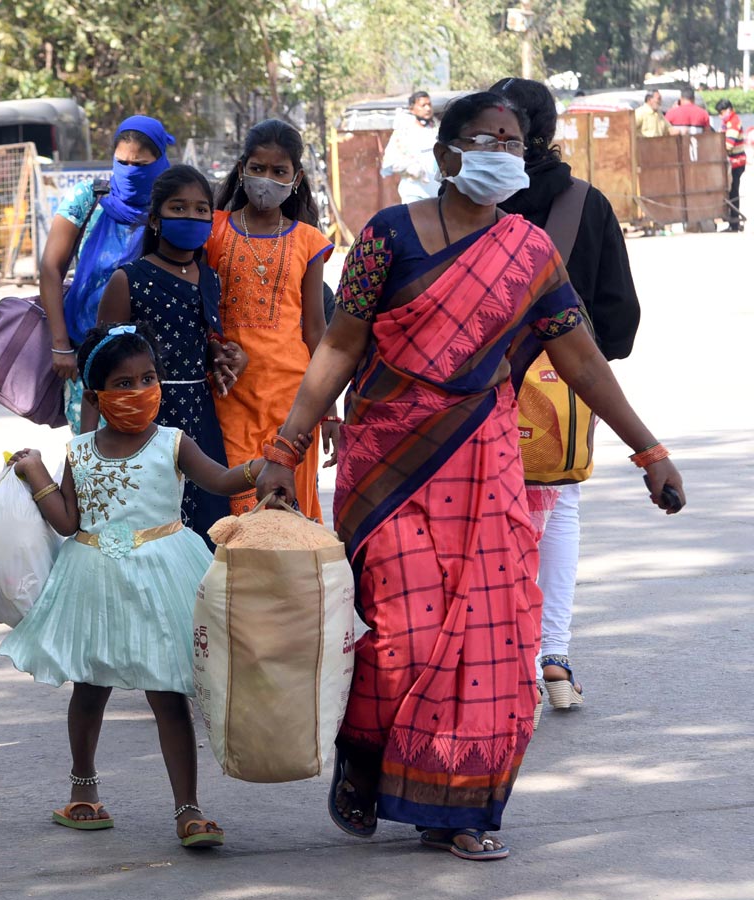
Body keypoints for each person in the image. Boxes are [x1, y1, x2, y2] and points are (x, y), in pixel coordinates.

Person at [256, 92, 685, 861]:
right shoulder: (388, 238)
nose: (501, 150)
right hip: (388, 464)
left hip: (483, 461)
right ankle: (366, 760)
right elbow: (339, 347)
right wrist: (285, 446)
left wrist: (649, 452)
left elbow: (581, 357)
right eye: (486, 138)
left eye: (514, 141)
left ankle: (459, 811)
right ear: (447, 153)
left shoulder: (529, 252)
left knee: (487, 639)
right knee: (399, 635)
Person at [0, 322, 288, 849]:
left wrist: (260, 470)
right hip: (94, 582)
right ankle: (82, 791)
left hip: (163, 579)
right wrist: (36, 473)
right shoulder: (81, 452)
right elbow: (67, 521)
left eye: (148, 378)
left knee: (169, 694)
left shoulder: (173, 443)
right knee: (90, 687)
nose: (140, 392)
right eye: (124, 384)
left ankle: (189, 809)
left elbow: (220, 481)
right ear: (95, 396)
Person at [493, 77, 642, 713]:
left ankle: (492, 657)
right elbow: (619, 318)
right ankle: (552, 656)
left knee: (479, 517)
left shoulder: (460, 203)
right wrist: (576, 362)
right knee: (560, 506)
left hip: (471, 385)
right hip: (565, 385)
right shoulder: (586, 203)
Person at [94, 165, 246, 542]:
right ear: (156, 219)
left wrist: (221, 353)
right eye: (178, 208)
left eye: (200, 210)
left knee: (206, 522)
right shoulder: (128, 279)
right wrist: (88, 449)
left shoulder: (209, 277)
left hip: (200, 413)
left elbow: (201, 335)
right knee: (150, 523)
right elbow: (98, 364)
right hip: (146, 418)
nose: (191, 217)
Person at [207, 118, 335, 519]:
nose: (266, 179)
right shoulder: (212, 230)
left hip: (293, 399)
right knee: (239, 507)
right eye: (258, 169)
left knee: (287, 508)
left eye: (278, 171)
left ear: (295, 177)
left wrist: (329, 411)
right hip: (229, 392)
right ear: (242, 168)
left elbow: (316, 330)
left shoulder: (309, 240)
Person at [38, 116, 175, 433]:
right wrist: (60, 345)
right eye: (121, 162)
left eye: (139, 164)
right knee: (97, 453)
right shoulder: (90, 197)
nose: (128, 172)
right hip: (90, 355)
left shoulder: (174, 203)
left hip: (156, 361)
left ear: (160, 162)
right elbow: (50, 269)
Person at [380, 91, 440, 203]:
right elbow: (390, 162)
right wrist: (410, 167)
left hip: (437, 193)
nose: (427, 108)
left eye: (429, 104)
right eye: (423, 105)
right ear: (412, 109)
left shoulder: (438, 130)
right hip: (414, 193)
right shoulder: (404, 133)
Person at [718, 99, 746, 232]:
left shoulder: (734, 122)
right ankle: (732, 222)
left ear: (728, 109)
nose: (720, 115)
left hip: (736, 163)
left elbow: (728, 145)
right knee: (730, 192)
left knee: (733, 192)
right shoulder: (727, 122)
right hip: (732, 163)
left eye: (721, 112)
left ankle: (734, 224)